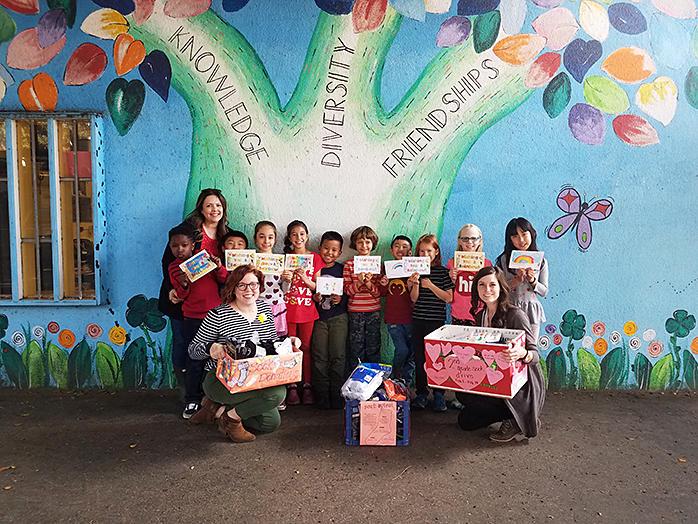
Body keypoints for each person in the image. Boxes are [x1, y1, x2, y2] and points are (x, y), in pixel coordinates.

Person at [187, 265, 299, 442]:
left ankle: (219, 410)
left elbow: (271, 343)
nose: (249, 290)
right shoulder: (218, 314)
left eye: (254, 284)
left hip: (255, 377)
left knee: (270, 423)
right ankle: (231, 419)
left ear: (260, 287)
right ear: (233, 287)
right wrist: (210, 348)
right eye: (242, 285)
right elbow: (193, 351)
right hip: (222, 379)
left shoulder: (264, 309)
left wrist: (288, 341)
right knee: (276, 394)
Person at [157, 188, 230, 419]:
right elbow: (169, 263)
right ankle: (188, 394)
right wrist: (174, 291)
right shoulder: (186, 233)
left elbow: (226, 273)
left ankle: (210, 396)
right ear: (201, 208)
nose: (214, 210)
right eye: (209, 205)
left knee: (215, 351)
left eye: (218, 205)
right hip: (184, 304)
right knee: (186, 348)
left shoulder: (226, 234)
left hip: (214, 304)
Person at [456, 266, 545, 442]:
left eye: (492, 285)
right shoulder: (481, 315)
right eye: (481, 285)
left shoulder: (515, 315)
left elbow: (535, 355)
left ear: (501, 287)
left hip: (519, 385)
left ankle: (520, 418)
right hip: (494, 377)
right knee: (464, 417)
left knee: (469, 409)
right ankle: (510, 415)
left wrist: (522, 353)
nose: (487, 290)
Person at [168, 224, 227, 419]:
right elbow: (181, 294)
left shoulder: (204, 257)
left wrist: (218, 266)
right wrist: (184, 282)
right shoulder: (174, 267)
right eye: (174, 246)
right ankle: (192, 399)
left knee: (219, 358)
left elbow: (223, 279)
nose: (180, 249)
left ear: (193, 244)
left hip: (216, 315)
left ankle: (218, 398)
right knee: (194, 359)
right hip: (192, 318)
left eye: (184, 245)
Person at [408, 234, 454, 412]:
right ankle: (421, 393)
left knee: (438, 360)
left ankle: (439, 394)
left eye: (429, 250)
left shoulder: (442, 272)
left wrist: (431, 286)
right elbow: (413, 299)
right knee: (420, 359)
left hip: (436, 323)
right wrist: (416, 283)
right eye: (421, 251)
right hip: (418, 320)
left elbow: (449, 298)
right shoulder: (414, 272)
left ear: (436, 252)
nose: (425, 254)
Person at [281, 220, 324, 405]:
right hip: (287, 310)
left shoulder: (314, 258)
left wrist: (305, 279)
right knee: (290, 348)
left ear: (307, 236)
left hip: (307, 310)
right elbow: (281, 289)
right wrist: (287, 279)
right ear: (289, 238)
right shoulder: (284, 258)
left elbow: (318, 287)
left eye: (301, 234)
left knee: (306, 348)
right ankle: (291, 387)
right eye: (294, 234)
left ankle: (306, 386)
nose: (298, 238)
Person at [495, 218, 548, 345]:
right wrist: (516, 280)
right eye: (515, 236)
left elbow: (544, 291)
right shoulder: (504, 260)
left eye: (524, 234)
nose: (521, 240)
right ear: (510, 239)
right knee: (509, 346)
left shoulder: (541, 261)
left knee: (530, 348)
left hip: (531, 310)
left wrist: (533, 280)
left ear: (532, 234)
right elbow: (498, 288)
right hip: (510, 308)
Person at [311, 231, 348, 409]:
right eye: (326, 248)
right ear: (319, 249)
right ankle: (322, 395)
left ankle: (337, 393)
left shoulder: (342, 269)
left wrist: (341, 300)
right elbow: (306, 291)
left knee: (338, 356)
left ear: (340, 252)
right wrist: (314, 298)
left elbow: (349, 293)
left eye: (334, 250)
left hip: (338, 317)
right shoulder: (313, 268)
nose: (329, 253)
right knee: (319, 356)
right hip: (318, 318)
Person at [343, 226, 382, 370]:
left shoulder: (377, 264)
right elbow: (347, 291)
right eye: (360, 242)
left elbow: (378, 293)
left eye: (367, 242)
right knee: (355, 347)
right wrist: (359, 282)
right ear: (354, 244)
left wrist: (369, 283)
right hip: (355, 311)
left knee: (374, 346)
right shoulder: (349, 265)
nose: (364, 246)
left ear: (373, 244)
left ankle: (374, 381)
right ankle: (356, 382)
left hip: (373, 311)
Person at [379, 235, 414, 385]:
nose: (401, 249)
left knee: (411, 353)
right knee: (402, 350)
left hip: (412, 318)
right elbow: (381, 293)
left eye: (405, 246)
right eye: (397, 246)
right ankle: (395, 377)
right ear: (391, 249)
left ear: (411, 251)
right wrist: (384, 283)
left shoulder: (414, 269)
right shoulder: (387, 268)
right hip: (393, 318)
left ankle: (406, 382)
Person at [447, 224, 492, 326]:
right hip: (458, 313)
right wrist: (451, 279)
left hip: (480, 314)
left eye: (474, 238)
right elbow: (449, 292)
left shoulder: (486, 264)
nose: (470, 242)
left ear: (480, 240)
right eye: (465, 239)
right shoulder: (451, 263)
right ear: (459, 241)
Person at [253, 221, 288, 337]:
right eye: (261, 237)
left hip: (277, 305)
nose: (266, 241)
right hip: (257, 306)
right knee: (259, 339)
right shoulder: (251, 261)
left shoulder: (281, 261)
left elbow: (285, 290)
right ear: (255, 239)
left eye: (270, 237)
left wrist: (288, 281)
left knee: (276, 341)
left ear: (275, 240)